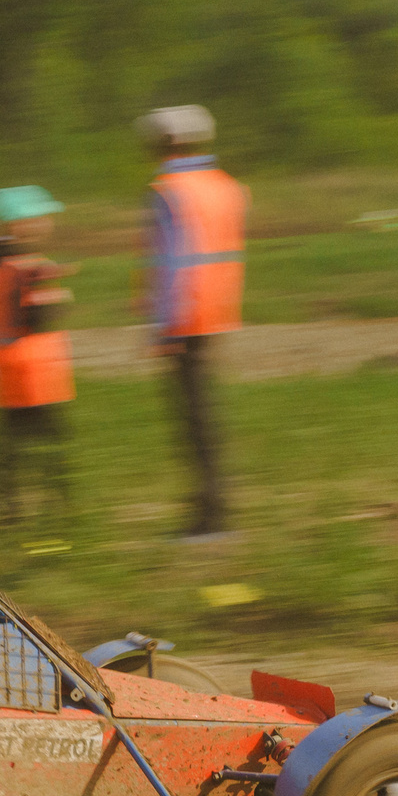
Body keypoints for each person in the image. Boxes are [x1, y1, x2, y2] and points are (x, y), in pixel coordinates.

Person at [135, 105, 247, 537]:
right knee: (205, 416)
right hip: (218, 311)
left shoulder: (168, 190)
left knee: (194, 420)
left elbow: (172, 264)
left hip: (185, 317)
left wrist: (162, 327)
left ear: (168, 144)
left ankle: (211, 515)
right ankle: (213, 507)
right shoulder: (225, 186)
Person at [0, 185, 77, 526]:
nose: (47, 223)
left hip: (1, 369)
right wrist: (58, 295)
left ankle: (4, 511)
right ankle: (60, 508)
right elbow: (37, 316)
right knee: (53, 444)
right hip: (35, 370)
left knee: (6, 446)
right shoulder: (30, 268)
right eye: (40, 218)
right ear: (18, 224)